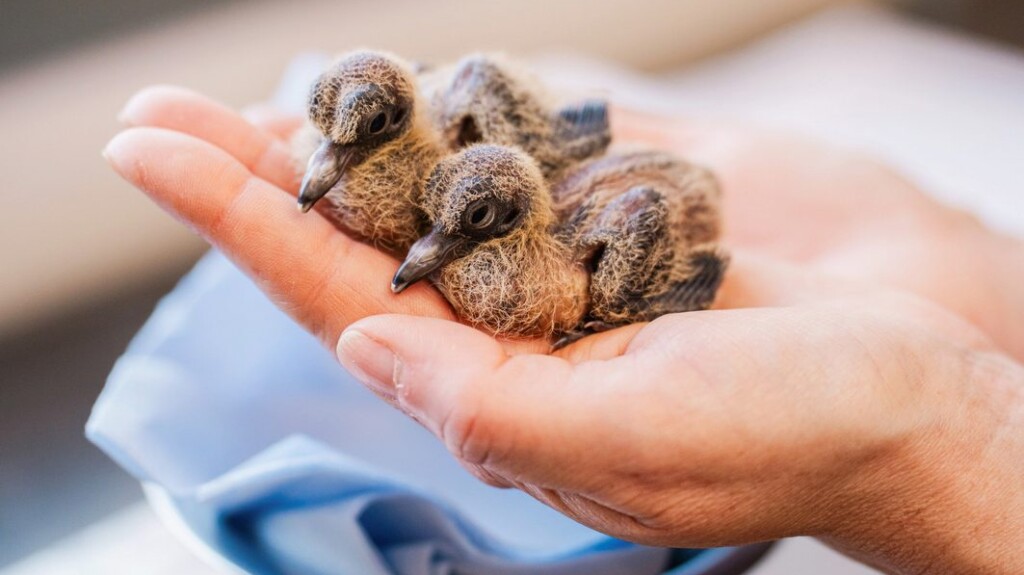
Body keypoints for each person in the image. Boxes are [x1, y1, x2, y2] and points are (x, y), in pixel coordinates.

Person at [105, 85, 1024, 574]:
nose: (429, 251)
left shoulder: (579, 261)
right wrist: (967, 271)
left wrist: (956, 430)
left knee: (615, 269)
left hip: (635, 211)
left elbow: (651, 223)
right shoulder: (444, 179)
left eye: (463, 232)